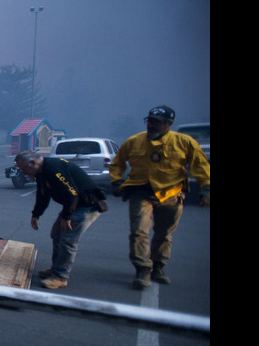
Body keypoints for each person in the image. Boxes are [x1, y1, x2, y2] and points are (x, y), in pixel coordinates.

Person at [109, 105, 211, 289]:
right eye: (150, 121)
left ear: (169, 124)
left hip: (171, 194)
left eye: (156, 122)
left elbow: (201, 167)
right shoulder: (134, 141)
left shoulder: (185, 142)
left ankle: (158, 267)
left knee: (164, 235)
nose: (151, 125)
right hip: (141, 192)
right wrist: (116, 182)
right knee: (139, 232)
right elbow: (116, 164)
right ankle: (142, 269)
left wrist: (206, 189)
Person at [14, 150, 108, 289]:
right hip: (74, 206)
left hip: (85, 206)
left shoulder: (53, 169)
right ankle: (55, 269)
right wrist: (36, 214)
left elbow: (72, 194)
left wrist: (67, 217)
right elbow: (42, 194)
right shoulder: (41, 172)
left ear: (33, 163)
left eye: (24, 169)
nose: (24, 172)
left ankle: (60, 277)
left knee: (67, 241)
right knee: (56, 234)